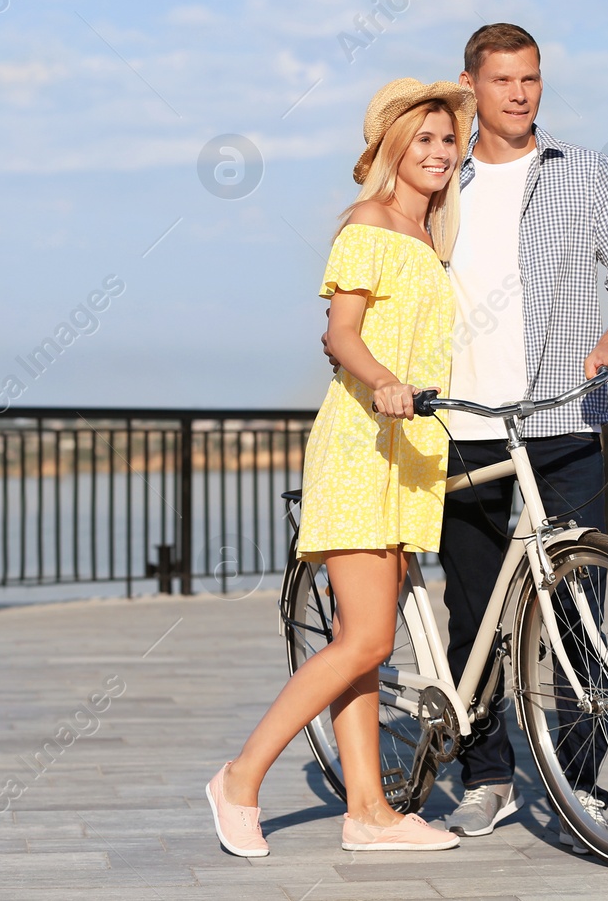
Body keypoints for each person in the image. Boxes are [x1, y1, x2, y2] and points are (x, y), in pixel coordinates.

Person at [328, 24, 608, 848]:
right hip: (462, 425)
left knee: (580, 604)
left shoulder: (581, 171)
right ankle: (485, 775)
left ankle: (580, 778)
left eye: (533, 79)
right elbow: (382, 287)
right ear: (470, 84)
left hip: (561, 417)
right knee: (473, 610)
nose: (520, 94)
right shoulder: (442, 179)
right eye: (503, 80)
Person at [207, 78, 476, 857]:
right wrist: (383, 380)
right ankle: (240, 776)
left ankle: (369, 812)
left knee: (371, 639)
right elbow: (342, 333)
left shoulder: (431, 239)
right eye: (421, 137)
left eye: (446, 138)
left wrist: (453, 91)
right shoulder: (368, 223)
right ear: (391, 148)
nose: (438, 151)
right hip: (362, 442)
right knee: (365, 638)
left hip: (411, 449)